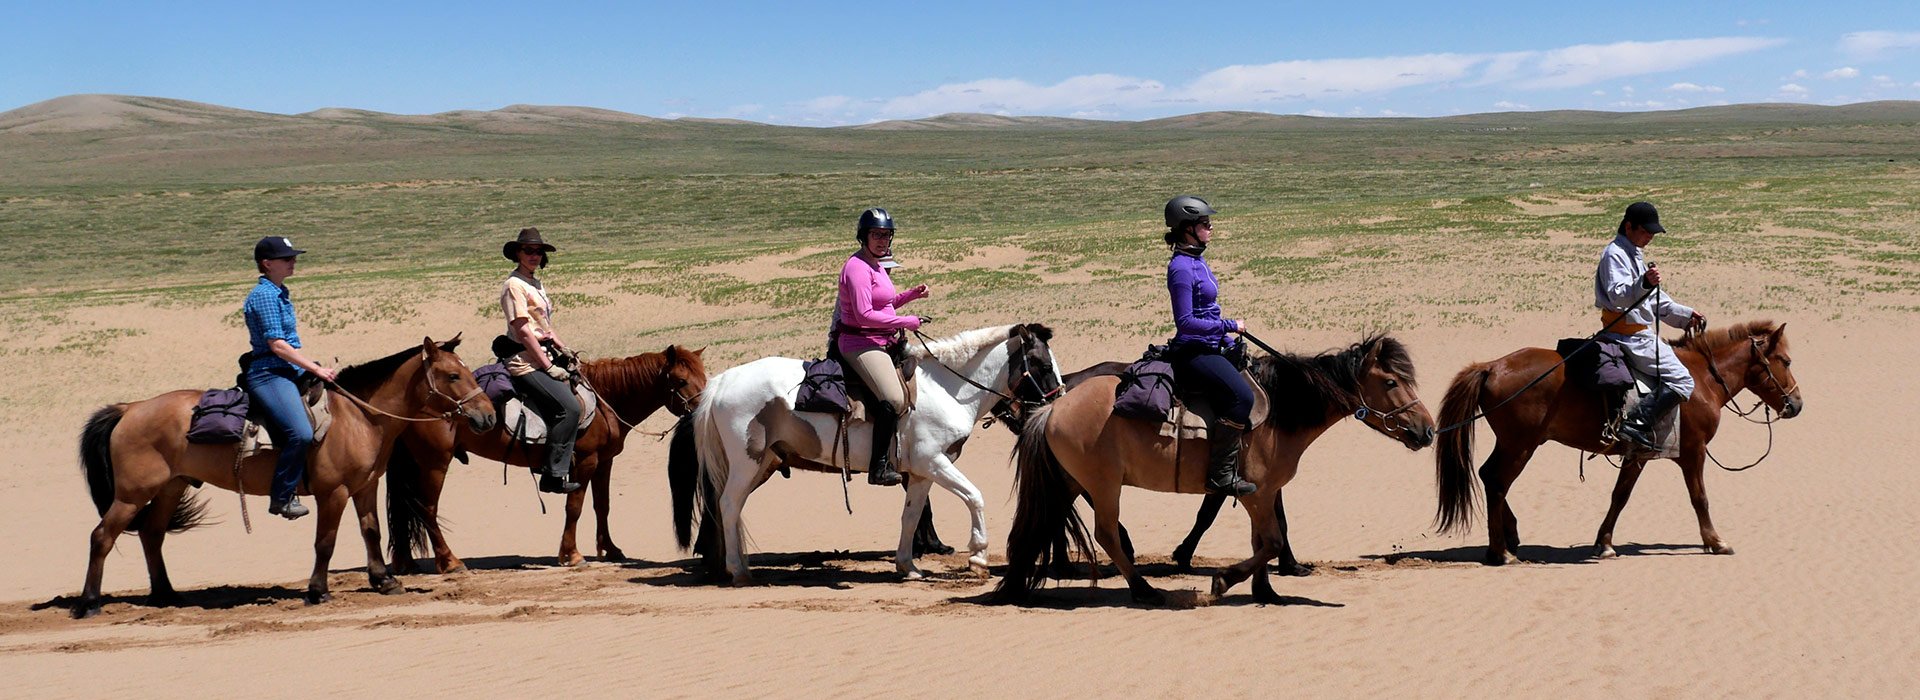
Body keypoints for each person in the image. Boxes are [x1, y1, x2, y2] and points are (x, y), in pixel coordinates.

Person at [1163, 195, 1258, 496]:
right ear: (1187, 228)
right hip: (1193, 351)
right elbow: (1186, 322)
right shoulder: (1181, 268)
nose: (1211, 228)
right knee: (1242, 397)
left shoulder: (1197, 260)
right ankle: (1220, 475)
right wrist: (1229, 325)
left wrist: (1227, 341)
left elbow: (1207, 312)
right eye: (1205, 223)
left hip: (1212, 344)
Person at [242, 236, 339, 520]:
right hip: (269, 373)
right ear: (267, 263)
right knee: (301, 433)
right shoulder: (265, 296)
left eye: (293, 257)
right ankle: (282, 496)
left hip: (288, 370)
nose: (293, 261)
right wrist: (316, 369)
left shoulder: (280, 291)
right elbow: (277, 345)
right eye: (287, 259)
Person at [1596, 201, 1706, 448]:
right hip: (1628, 337)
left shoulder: (1633, 252)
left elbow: (1654, 301)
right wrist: (1644, 282)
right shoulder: (1614, 254)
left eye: (1652, 233)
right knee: (1683, 381)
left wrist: (1685, 315)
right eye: (1646, 232)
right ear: (1628, 226)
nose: (1650, 237)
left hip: (1638, 334)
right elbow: (1618, 295)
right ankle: (1634, 425)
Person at [834, 208, 930, 487]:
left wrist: (910, 295)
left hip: (881, 339)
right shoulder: (856, 268)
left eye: (886, 235)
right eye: (876, 235)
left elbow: (883, 304)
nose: (882, 240)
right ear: (863, 236)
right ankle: (878, 466)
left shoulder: (876, 264)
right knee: (894, 398)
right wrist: (906, 322)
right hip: (859, 343)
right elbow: (864, 314)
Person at [500, 227, 583, 494]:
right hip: (525, 361)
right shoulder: (514, 285)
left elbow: (542, 324)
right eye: (528, 250)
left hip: (543, 351)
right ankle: (553, 475)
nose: (534, 255)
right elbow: (524, 331)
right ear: (517, 253)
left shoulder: (535, 282)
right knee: (569, 408)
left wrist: (561, 345)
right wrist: (548, 367)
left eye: (538, 251)